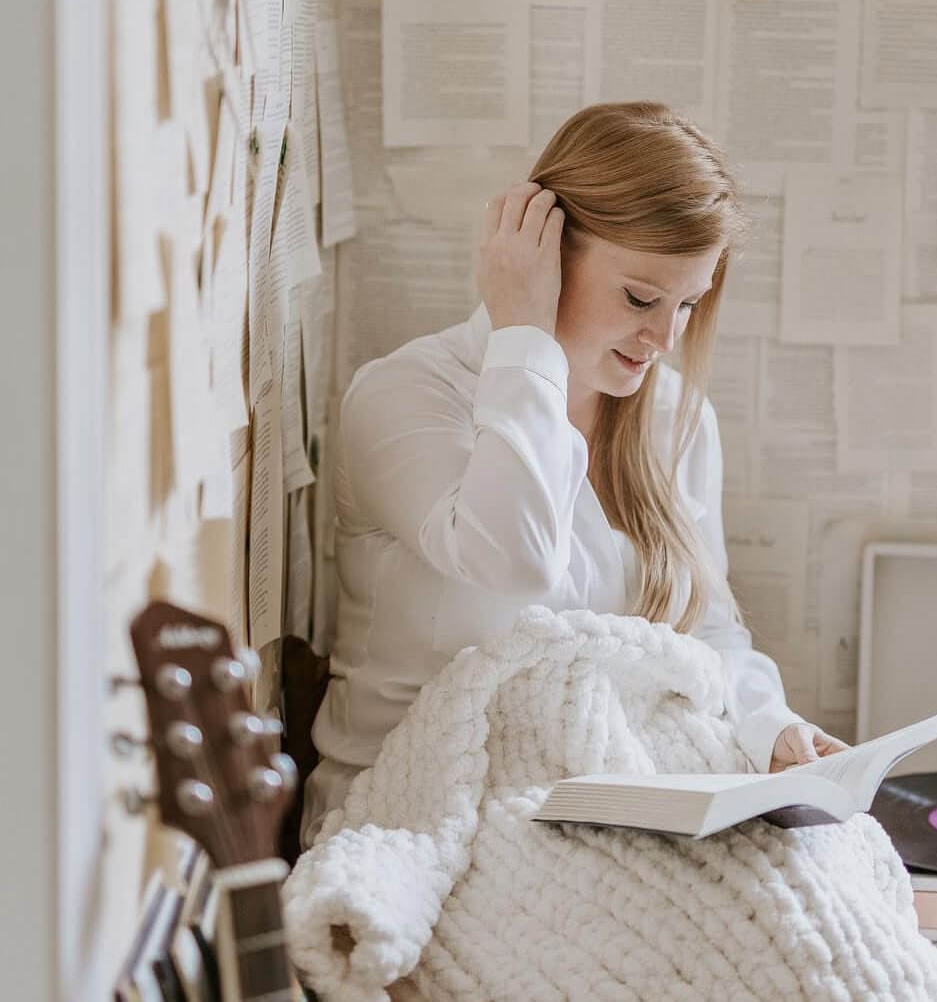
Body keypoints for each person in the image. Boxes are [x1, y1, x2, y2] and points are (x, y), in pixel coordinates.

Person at [302, 101, 846, 848]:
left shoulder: (674, 419)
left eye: (688, 304)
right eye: (640, 297)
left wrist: (771, 726)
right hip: (421, 814)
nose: (662, 337)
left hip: (603, 808)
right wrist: (525, 332)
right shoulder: (404, 398)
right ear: (547, 252)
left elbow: (709, 627)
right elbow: (514, 560)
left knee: (822, 872)